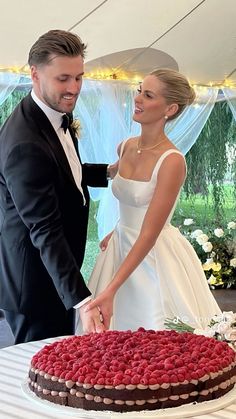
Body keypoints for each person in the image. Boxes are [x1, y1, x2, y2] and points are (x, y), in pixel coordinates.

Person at [0, 29, 116, 344]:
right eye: (63, 78)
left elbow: (63, 170)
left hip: (56, 276)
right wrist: (82, 300)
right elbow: (44, 229)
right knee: (38, 376)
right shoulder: (24, 142)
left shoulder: (55, 112)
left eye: (79, 78)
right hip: (36, 284)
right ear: (35, 74)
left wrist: (107, 171)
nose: (74, 89)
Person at [83, 68, 221, 332]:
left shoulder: (172, 161)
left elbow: (149, 232)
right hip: (118, 247)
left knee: (157, 336)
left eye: (148, 95)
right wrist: (117, 229)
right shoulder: (124, 147)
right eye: (139, 91)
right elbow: (130, 199)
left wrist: (112, 288)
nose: (137, 99)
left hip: (154, 253)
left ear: (170, 109)